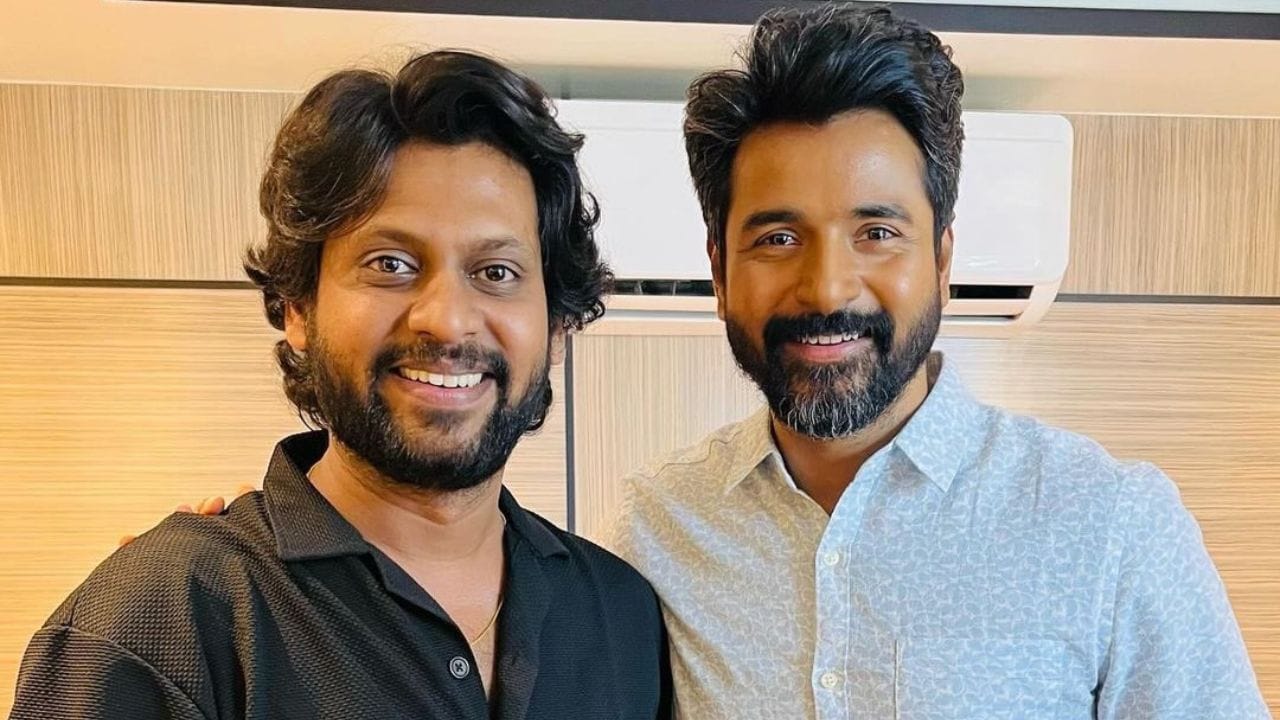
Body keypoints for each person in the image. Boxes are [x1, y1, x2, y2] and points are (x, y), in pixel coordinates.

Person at [609, 4, 1269, 719]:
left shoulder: (1111, 524)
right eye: (778, 239)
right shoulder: (659, 528)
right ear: (719, 271)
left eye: (877, 232)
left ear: (942, 261)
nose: (827, 288)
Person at [10, 50, 671, 720]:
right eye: (391, 264)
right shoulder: (164, 620)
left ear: (556, 327)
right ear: (298, 307)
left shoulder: (622, 614)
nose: (447, 319)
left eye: (496, 272)